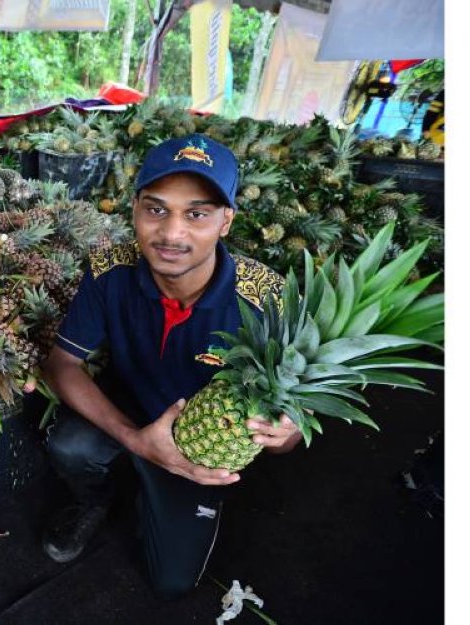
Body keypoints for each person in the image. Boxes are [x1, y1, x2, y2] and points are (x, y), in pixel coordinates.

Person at [40, 134, 303, 600]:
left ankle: (161, 493)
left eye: (197, 214)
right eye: (156, 209)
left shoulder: (268, 297)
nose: (172, 233)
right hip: (130, 405)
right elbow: (62, 363)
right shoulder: (108, 270)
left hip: (206, 439)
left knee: (171, 581)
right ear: (135, 209)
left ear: (226, 222)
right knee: (71, 442)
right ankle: (95, 498)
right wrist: (135, 439)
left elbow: (292, 424)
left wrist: (285, 434)